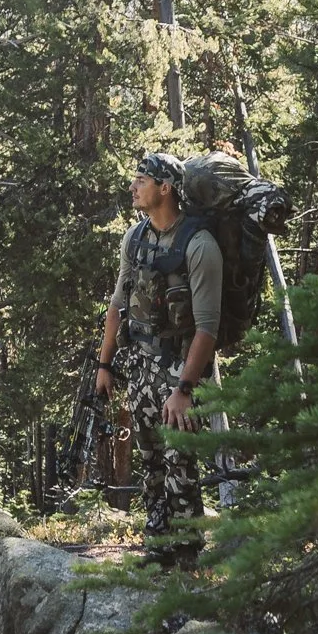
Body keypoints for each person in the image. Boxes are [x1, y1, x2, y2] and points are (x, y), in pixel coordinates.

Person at [95, 150, 220, 559]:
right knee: (149, 458)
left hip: (181, 367)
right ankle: (158, 543)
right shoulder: (135, 238)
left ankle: (186, 553)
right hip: (141, 364)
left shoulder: (199, 246)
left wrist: (184, 388)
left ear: (165, 188)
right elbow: (117, 303)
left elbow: (206, 328)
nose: (133, 187)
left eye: (141, 181)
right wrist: (105, 363)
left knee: (179, 460)